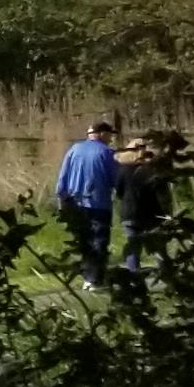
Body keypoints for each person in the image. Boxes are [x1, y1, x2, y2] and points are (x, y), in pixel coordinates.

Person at [55, 119, 121, 282]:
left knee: (84, 240)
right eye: (109, 135)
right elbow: (116, 180)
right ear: (102, 134)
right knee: (99, 240)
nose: (110, 139)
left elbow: (63, 176)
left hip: (75, 203)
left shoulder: (74, 149)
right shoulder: (107, 153)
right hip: (99, 202)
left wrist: (62, 197)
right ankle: (95, 278)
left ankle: (86, 276)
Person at [114, 136, 171, 277]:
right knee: (158, 245)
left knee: (134, 245)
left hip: (129, 212)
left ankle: (134, 274)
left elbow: (119, 191)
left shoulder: (123, 171)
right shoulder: (151, 171)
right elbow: (162, 193)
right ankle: (167, 271)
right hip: (151, 213)